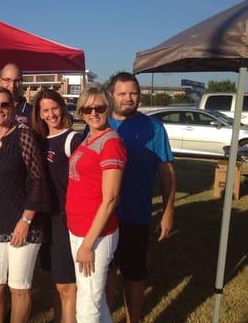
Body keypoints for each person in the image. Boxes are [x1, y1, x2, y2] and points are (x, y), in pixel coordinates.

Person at [106, 72, 176, 323]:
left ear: (140, 95)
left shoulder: (154, 128)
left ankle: (133, 319)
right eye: (122, 93)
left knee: (134, 275)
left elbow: (166, 172)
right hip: (104, 216)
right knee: (107, 272)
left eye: (133, 93)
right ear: (112, 95)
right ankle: (105, 317)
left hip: (136, 214)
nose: (128, 98)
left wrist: (168, 211)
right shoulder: (99, 124)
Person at [0, 85, 47, 323]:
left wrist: (26, 221)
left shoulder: (23, 135)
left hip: (24, 223)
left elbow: (38, 180)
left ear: (13, 107)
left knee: (19, 288)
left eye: (5, 104)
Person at [66, 85, 127, 323]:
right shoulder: (91, 136)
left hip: (96, 235)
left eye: (99, 107)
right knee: (95, 299)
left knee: (88, 307)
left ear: (108, 108)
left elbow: (111, 199)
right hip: (79, 229)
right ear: (81, 111)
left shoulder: (111, 142)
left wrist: (88, 244)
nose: (93, 113)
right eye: (87, 108)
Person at [32, 88, 82, 323]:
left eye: (55, 108)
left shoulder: (72, 139)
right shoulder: (38, 141)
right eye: (46, 110)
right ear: (39, 114)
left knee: (67, 286)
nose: (52, 114)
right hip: (45, 220)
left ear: (62, 107)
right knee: (55, 281)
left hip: (64, 219)